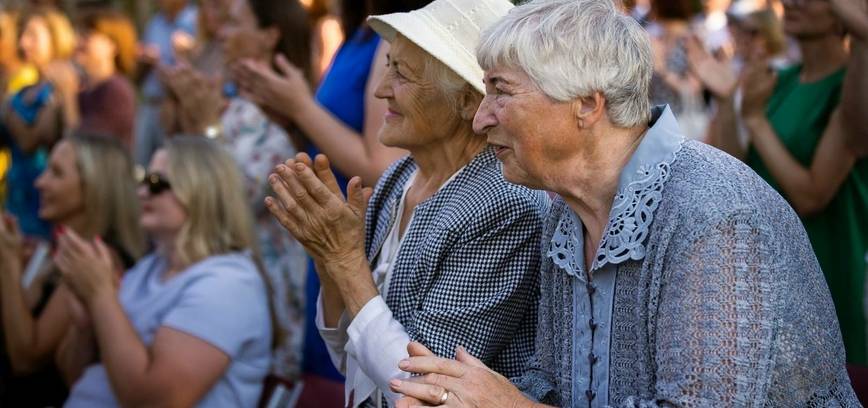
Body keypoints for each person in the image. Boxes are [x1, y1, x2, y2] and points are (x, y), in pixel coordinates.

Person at [387, 0, 860, 406]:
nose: (481, 119)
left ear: (588, 106)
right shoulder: (567, 212)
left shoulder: (712, 213)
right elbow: (554, 382)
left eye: (501, 91)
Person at [266, 0, 548, 406]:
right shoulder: (400, 179)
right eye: (388, 66)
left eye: (402, 74)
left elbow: (426, 387)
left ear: (470, 101)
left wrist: (346, 263)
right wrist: (329, 261)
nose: (382, 89)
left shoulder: (505, 204)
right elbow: (351, 356)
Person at [234, 0, 430, 386]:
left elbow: (382, 164)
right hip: (328, 235)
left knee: (364, 367)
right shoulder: (357, 34)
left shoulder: (388, 36)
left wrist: (299, 105)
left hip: (358, 235)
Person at [697, 0, 868, 366]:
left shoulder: (849, 90)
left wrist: (756, 120)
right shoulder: (782, 79)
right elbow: (730, 166)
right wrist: (730, 99)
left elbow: (811, 194)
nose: (792, 2)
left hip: (827, 277)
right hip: (770, 283)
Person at [59, 137, 272, 407]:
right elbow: (75, 377)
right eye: (142, 180)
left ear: (201, 191)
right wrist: (85, 326)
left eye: (156, 183)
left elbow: (155, 401)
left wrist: (101, 296)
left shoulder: (229, 284)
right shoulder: (151, 267)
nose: (141, 192)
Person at [163, 0, 312, 382]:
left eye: (233, 23)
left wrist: (204, 125)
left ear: (269, 35)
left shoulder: (277, 119)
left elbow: (231, 203)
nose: (222, 33)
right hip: (212, 289)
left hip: (260, 307)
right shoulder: (233, 103)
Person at [0, 133, 143, 407]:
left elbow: (26, 357)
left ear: (94, 188)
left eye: (56, 173)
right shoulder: (57, 251)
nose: (40, 182)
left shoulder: (97, 260)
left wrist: (7, 262)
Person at [2, 6, 77, 241]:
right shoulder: (23, 90)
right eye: (23, 35)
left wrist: (9, 108)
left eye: (33, 35)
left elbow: (30, 140)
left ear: (55, 38)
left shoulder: (68, 87)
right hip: (16, 196)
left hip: (48, 197)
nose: (24, 43)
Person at [132, 0, 197, 167]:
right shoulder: (155, 22)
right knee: (141, 165)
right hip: (150, 104)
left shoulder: (195, 20)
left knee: (169, 166)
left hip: (176, 110)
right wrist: (144, 59)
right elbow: (138, 75)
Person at [74, 9, 139, 150]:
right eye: (79, 35)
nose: (78, 42)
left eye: (87, 36)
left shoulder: (116, 91)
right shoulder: (85, 90)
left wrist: (66, 96)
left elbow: (85, 147)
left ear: (113, 45)